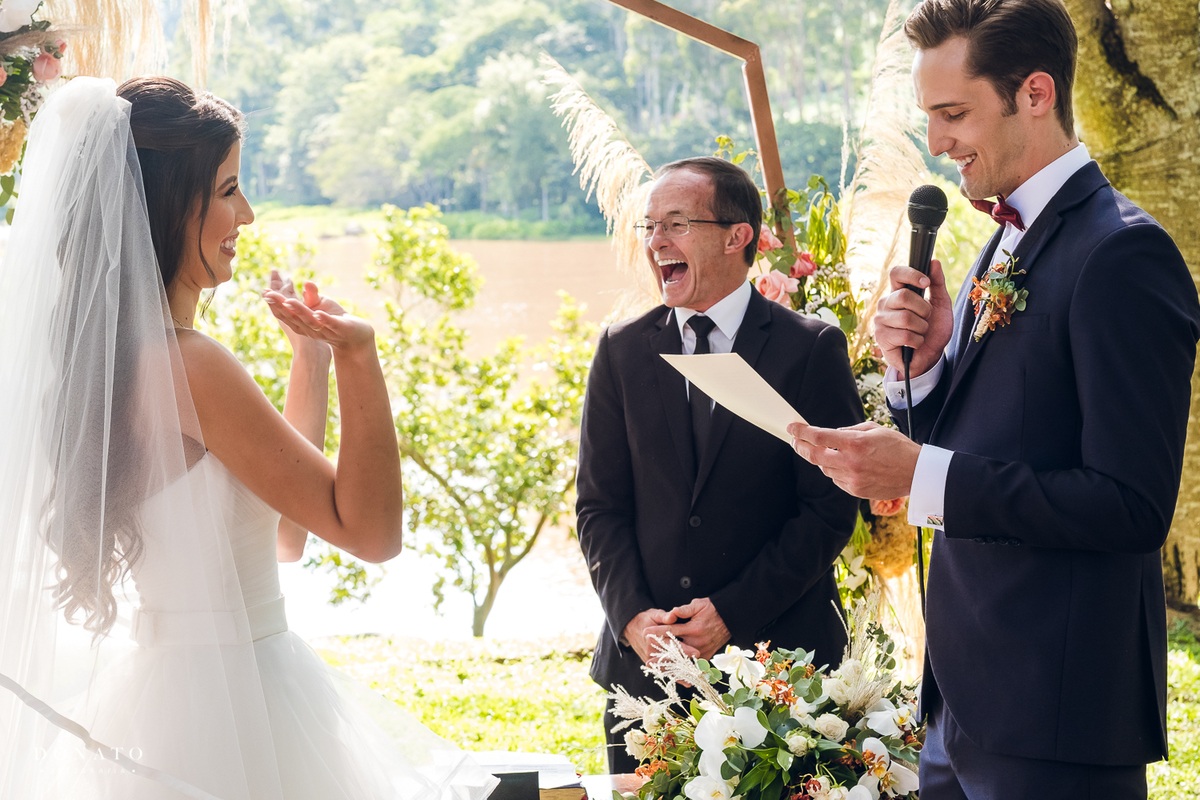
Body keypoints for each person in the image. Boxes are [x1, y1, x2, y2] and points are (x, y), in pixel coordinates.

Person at [0, 76, 497, 800]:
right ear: (171, 204)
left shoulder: (111, 363)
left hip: (176, 694)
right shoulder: (189, 365)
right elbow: (373, 533)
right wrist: (362, 357)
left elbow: (282, 539)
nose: (250, 215)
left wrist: (312, 360)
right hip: (241, 698)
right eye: (229, 189)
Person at [787, 0, 1200, 796]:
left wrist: (921, 476)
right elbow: (991, 431)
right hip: (963, 702)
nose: (937, 142)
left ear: (1035, 94)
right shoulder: (1002, 239)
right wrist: (927, 368)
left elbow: (1131, 505)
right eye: (930, 116)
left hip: (1057, 710)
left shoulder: (1122, 253)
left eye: (953, 114)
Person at [575, 156, 863, 773]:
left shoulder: (810, 348)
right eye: (648, 228)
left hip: (780, 671)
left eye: (675, 224)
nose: (656, 243)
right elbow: (599, 507)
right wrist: (630, 619)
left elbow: (830, 510)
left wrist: (732, 612)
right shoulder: (620, 349)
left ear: (738, 236)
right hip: (644, 675)